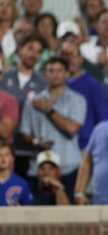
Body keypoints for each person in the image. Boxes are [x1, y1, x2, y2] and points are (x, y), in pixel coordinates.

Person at [19, 57, 86, 201]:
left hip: (69, 167)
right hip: (39, 169)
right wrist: (37, 141)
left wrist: (49, 110)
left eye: (59, 71)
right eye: (51, 71)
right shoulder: (32, 102)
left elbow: (71, 129)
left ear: (67, 73)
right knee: (35, 217)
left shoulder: (78, 100)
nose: (55, 74)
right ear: (45, 74)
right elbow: (25, 133)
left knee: (70, 218)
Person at [0, 141, 32, 206]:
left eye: (6, 155)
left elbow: (28, 210)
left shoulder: (21, 183)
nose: (3, 159)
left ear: (12, 158)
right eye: (0, 155)